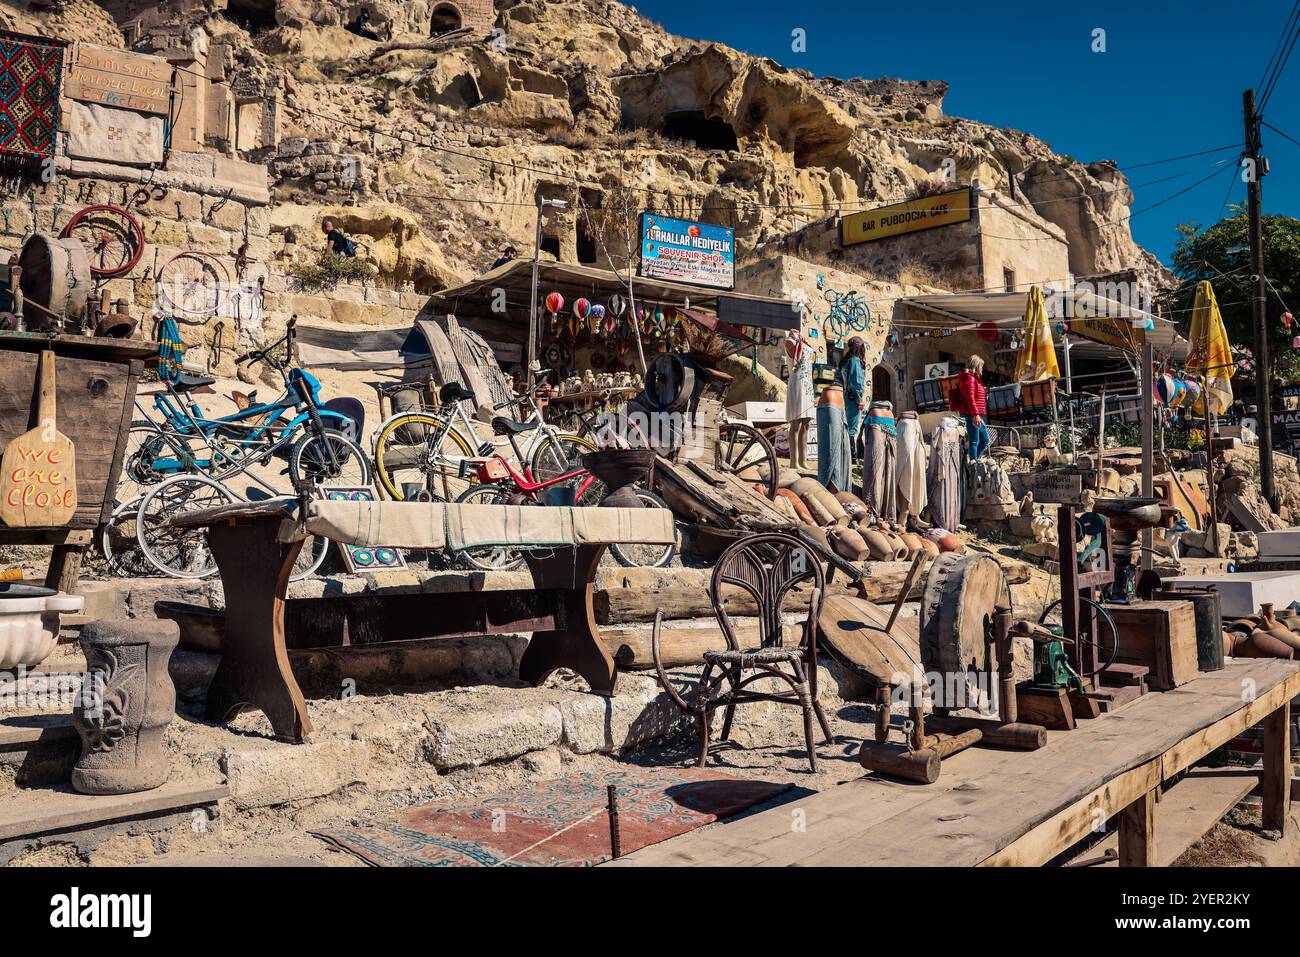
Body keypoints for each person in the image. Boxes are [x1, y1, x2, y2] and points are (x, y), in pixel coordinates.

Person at [784, 330, 814, 470]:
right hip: (797, 383)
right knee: (795, 423)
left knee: (806, 423)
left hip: (807, 384)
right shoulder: (790, 341)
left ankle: (803, 460)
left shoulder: (804, 342)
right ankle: (793, 461)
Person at [953, 354, 990, 461]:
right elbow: (970, 398)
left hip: (974, 413)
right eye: (981, 366)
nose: (982, 368)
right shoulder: (970, 379)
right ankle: (973, 464)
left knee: (985, 440)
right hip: (971, 414)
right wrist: (975, 415)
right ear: (976, 366)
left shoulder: (974, 379)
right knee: (975, 440)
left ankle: (974, 461)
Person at [836, 336, 867, 459]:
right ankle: (852, 458)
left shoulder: (846, 361)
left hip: (844, 397)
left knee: (845, 426)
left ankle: (846, 456)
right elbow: (857, 383)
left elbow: (838, 379)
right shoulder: (855, 360)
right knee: (852, 428)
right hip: (852, 398)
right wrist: (860, 400)